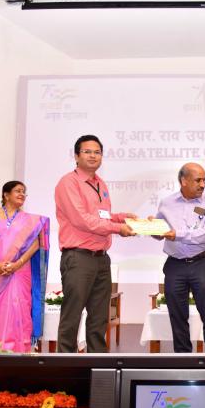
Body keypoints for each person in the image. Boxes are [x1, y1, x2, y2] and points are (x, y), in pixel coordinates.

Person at [54, 134, 136, 353]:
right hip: (78, 257)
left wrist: (123, 218)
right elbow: (82, 220)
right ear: (76, 156)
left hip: (101, 259)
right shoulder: (68, 183)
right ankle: (66, 365)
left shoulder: (100, 183)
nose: (93, 156)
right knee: (72, 316)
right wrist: (118, 228)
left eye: (97, 152)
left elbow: (102, 216)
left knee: (99, 318)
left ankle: (98, 364)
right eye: (87, 152)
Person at [154, 162, 205, 353]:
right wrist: (152, 228)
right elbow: (160, 233)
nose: (202, 185)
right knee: (177, 316)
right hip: (174, 266)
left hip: (201, 264)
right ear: (183, 181)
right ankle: (182, 359)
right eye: (198, 180)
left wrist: (177, 234)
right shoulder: (166, 203)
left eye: (204, 180)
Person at [0, 181, 50, 352]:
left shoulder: (29, 221)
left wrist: (17, 264)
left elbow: (36, 244)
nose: (22, 194)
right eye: (18, 191)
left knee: (20, 308)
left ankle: (20, 351)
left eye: (24, 192)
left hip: (19, 272)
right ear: (6, 194)